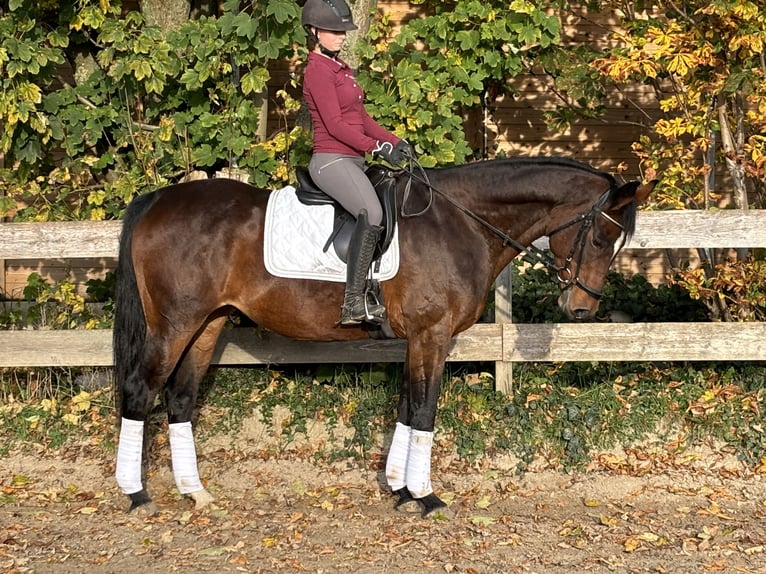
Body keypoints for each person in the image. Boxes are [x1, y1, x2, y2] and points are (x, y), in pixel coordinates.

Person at [301, 0, 412, 326]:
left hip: (353, 159)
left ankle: (378, 286)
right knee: (372, 212)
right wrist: (377, 148)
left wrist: (394, 141)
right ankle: (352, 303)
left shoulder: (342, 69)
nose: (340, 37)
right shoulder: (318, 71)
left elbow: (361, 118)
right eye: (333, 31)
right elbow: (336, 126)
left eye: (342, 31)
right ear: (314, 32)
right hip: (331, 160)